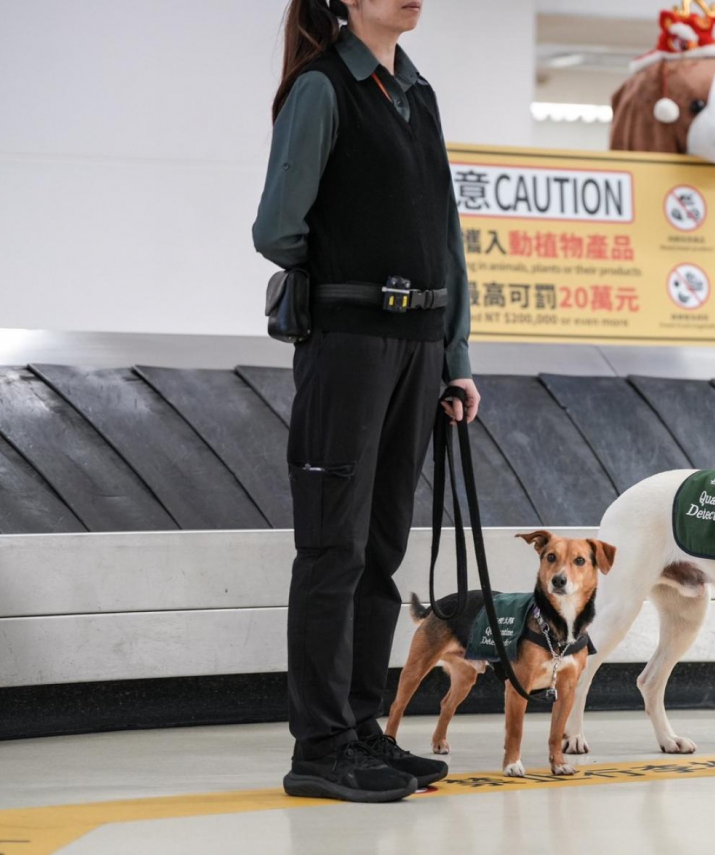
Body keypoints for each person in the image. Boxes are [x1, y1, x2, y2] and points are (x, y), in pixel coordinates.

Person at [253, 0, 480, 803]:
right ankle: (318, 745)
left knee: (381, 548)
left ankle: (360, 727)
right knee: (333, 549)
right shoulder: (321, 88)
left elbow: (446, 235)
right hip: (348, 344)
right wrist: (353, 277)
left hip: (419, 349)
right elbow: (278, 227)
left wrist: (455, 355)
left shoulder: (417, 93)